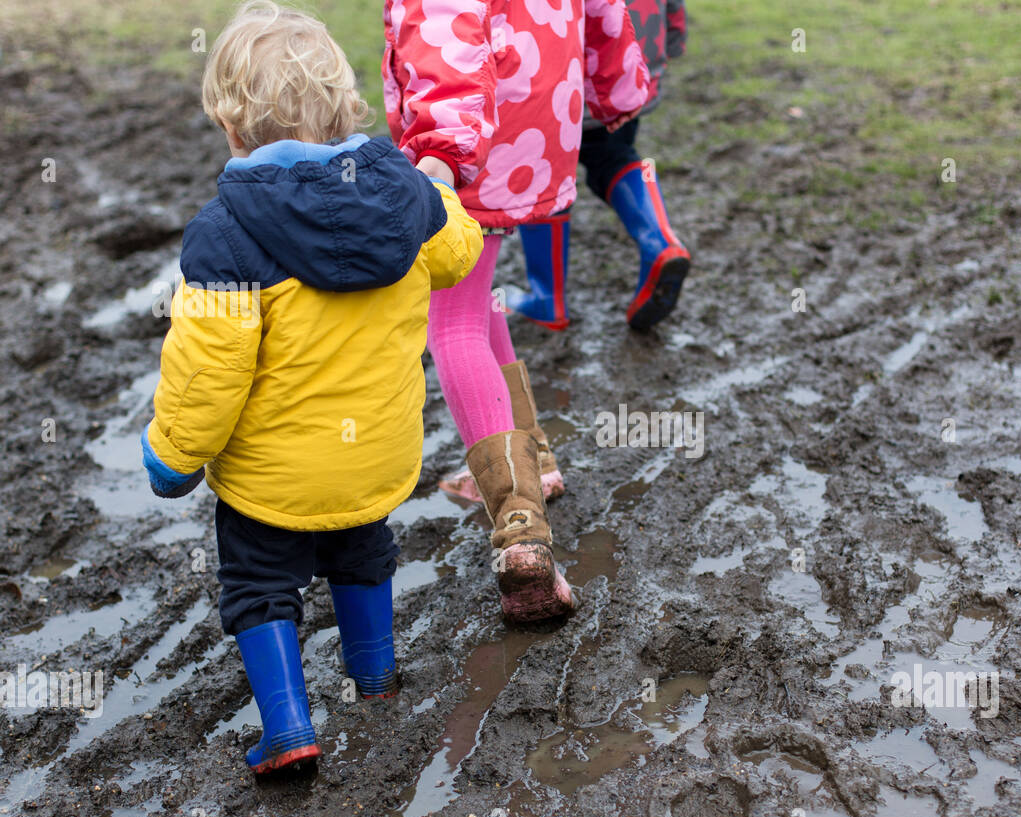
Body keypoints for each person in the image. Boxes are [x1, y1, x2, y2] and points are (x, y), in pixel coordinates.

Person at [140, 1, 483, 774]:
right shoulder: (404, 193)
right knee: (364, 549)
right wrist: (440, 187)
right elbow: (458, 256)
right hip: (375, 458)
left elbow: (207, 369)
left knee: (259, 583)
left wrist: (175, 454)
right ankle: (377, 678)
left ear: (231, 125)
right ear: (344, 104)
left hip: (273, 477)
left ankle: (290, 728)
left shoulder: (225, 233)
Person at [382, 0, 649, 618]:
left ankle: (520, 529)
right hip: (543, 124)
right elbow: (606, 12)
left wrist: (439, 159)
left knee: (449, 324)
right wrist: (613, 93)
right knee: (480, 297)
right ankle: (532, 456)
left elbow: (445, 29)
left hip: (472, 138)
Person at [509, 0, 690, 334]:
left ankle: (547, 300)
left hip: (561, 60)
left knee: (541, 169)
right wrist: (673, 34)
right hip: (635, 60)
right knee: (615, 154)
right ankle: (660, 242)